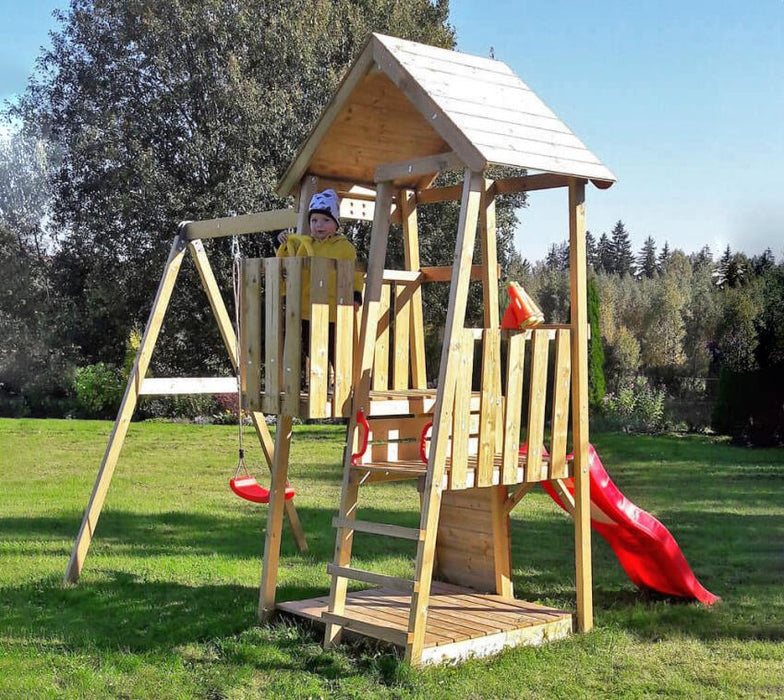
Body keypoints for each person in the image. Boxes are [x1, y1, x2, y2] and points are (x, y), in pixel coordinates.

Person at [277, 189, 363, 310]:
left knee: (332, 329)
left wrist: (356, 296)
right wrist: (284, 241)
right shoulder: (304, 244)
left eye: (326, 220)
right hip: (304, 308)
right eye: (314, 220)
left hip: (334, 309)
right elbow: (287, 261)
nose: (319, 225)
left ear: (336, 223)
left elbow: (356, 274)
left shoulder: (345, 248)